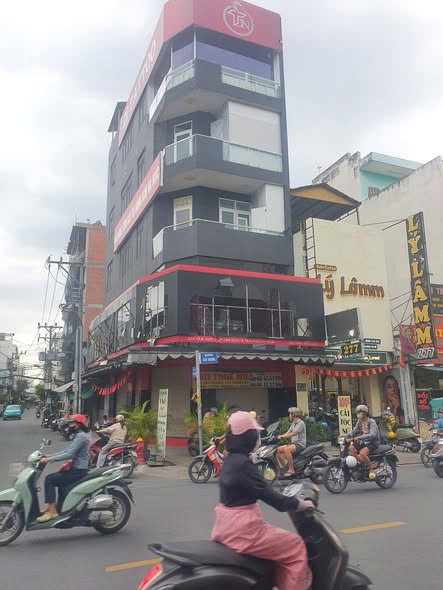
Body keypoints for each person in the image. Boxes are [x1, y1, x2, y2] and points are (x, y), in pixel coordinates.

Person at [211, 411, 313, 590]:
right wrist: (300, 504)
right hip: (245, 531)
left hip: (225, 527)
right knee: (296, 546)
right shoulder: (243, 465)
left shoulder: (230, 459)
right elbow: (272, 498)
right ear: (247, 437)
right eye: (254, 434)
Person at [37, 414, 91, 522]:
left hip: (78, 470)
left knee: (50, 479)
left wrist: (49, 460)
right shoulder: (79, 435)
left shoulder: (81, 436)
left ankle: (52, 512)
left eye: (72, 423)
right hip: (77, 468)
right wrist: (49, 456)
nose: (69, 425)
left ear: (79, 424)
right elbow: (67, 450)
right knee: (62, 487)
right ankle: (58, 509)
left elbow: (69, 454)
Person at [348, 404, 380, 479]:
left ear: (365, 413)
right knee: (350, 450)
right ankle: (362, 464)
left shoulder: (371, 422)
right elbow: (354, 431)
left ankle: (371, 469)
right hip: (363, 442)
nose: (358, 414)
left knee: (362, 453)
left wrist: (359, 437)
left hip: (372, 442)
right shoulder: (359, 421)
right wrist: (346, 435)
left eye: (359, 412)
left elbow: (373, 434)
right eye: (357, 413)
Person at [277, 407, 307, 478]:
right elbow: (288, 432)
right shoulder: (293, 423)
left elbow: (294, 433)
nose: (289, 415)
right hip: (293, 444)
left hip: (300, 444)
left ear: (293, 414)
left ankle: (291, 469)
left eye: (290, 414)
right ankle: (285, 467)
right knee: (277, 450)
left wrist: (283, 437)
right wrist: (280, 436)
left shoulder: (301, 423)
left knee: (287, 449)